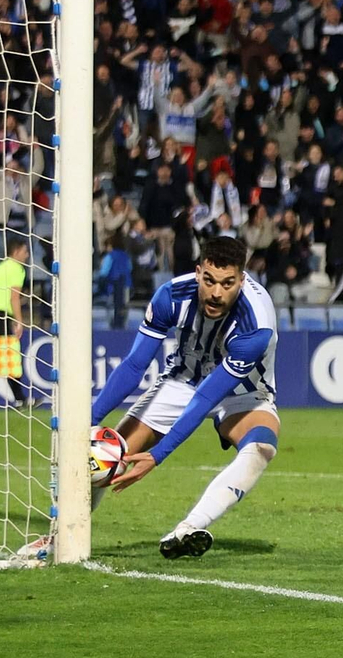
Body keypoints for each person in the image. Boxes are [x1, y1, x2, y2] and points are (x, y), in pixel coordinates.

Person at [87, 237, 280, 559]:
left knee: (261, 447)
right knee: (106, 453)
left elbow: (207, 398)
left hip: (244, 391)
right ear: (198, 272)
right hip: (182, 380)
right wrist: (88, 422)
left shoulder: (255, 327)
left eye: (228, 284)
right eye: (209, 281)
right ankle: (60, 539)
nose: (217, 293)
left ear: (242, 281)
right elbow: (135, 365)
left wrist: (159, 455)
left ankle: (188, 528)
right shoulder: (170, 296)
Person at [0, 240, 27, 408]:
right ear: (15, 252)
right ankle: (21, 399)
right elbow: (14, 297)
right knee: (11, 358)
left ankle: (20, 398)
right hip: (0, 316)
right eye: (24, 251)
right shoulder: (16, 268)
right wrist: (19, 321)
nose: (27, 255)